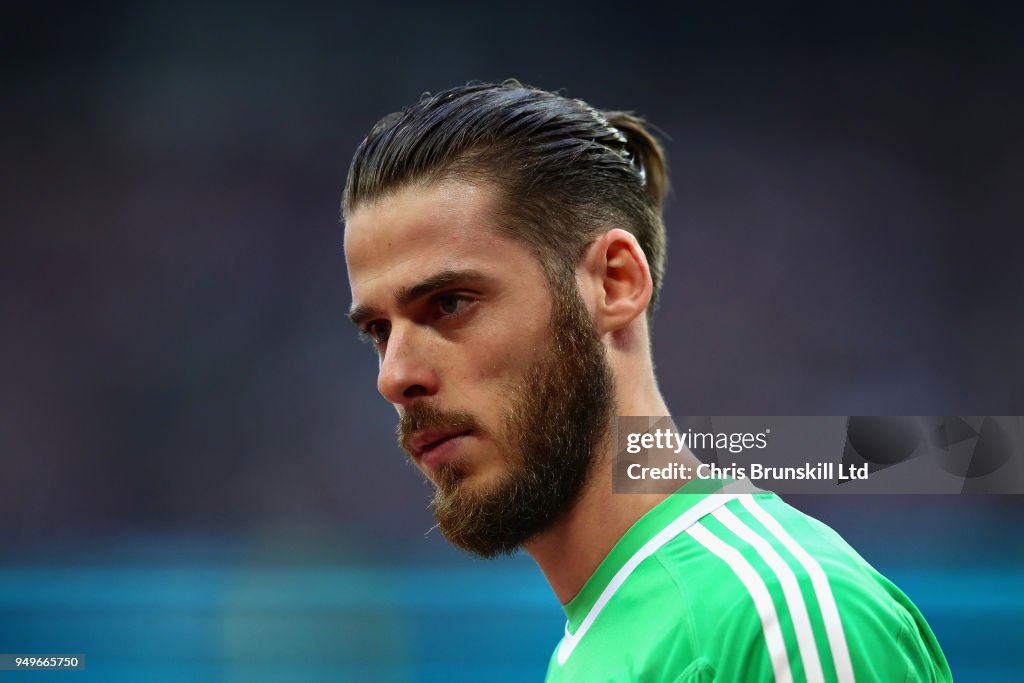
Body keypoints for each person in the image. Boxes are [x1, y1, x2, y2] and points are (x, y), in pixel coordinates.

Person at [341, 81, 951, 682]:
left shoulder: (773, 618)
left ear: (614, 283)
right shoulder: (594, 643)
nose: (393, 377)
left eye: (449, 303)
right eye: (377, 331)